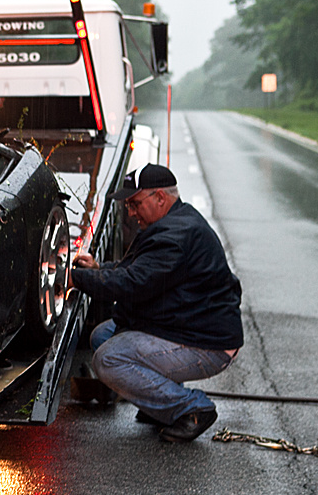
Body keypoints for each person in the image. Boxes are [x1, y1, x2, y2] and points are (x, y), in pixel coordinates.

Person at [71, 164, 243, 442]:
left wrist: (74, 279)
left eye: (134, 203)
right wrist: (98, 269)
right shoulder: (172, 222)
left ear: (160, 198)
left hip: (207, 344)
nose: (130, 212)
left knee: (109, 358)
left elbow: (132, 285)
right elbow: (139, 270)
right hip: (188, 326)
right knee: (104, 335)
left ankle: (191, 408)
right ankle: (160, 404)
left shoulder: (173, 236)